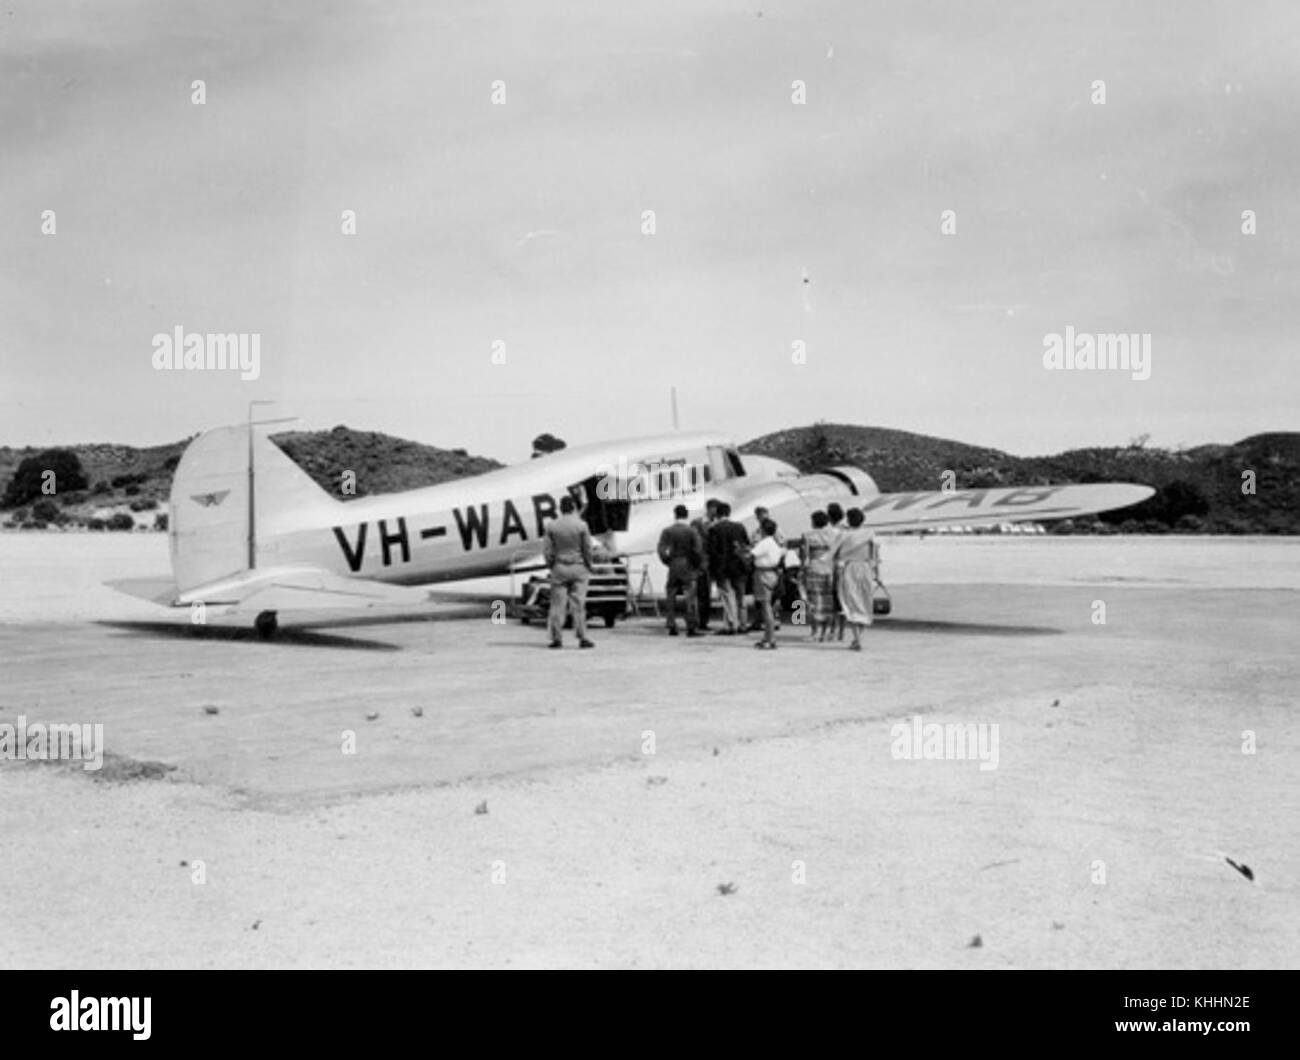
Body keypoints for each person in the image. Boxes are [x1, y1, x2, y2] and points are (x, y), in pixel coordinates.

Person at [542, 495, 595, 649]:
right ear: (573, 507)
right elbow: (588, 549)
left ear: (560, 508)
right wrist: (588, 565)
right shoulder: (582, 525)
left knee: (557, 605)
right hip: (579, 568)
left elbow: (547, 550)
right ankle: (582, 637)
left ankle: (556, 638)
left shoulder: (551, 526)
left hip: (559, 567)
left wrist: (551, 565)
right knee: (578, 605)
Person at [830, 507, 877, 651]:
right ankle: (858, 639)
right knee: (863, 602)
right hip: (866, 569)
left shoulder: (844, 535)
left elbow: (833, 554)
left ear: (849, 520)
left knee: (851, 603)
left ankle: (857, 639)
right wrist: (876, 574)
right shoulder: (870, 534)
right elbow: (875, 556)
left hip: (849, 569)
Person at [657, 504, 705, 637]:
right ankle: (691, 625)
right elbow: (698, 550)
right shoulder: (691, 531)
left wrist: (667, 561)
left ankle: (671, 623)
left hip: (673, 564)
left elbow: (661, 549)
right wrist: (697, 565)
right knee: (690, 595)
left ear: (675, 515)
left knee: (671, 594)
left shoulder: (667, 531)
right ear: (687, 515)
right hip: (687, 564)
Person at [707, 501, 750, 634]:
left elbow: (712, 551)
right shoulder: (739, 527)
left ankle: (732, 623)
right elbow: (746, 545)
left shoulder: (714, 529)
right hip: (738, 566)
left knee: (727, 595)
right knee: (740, 596)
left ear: (718, 514)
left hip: (722, 567)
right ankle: (743, 623)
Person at [799, 509, 838, 641]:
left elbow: (805, 556)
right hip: (829, 569)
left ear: (813, 522)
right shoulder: (833, 534)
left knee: (813, 601)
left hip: (814, 568)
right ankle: (826, 632)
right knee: (828, 602)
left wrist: (801, 571)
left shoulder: (807, 535)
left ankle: (815, 632)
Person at [750, 519, 783, 649]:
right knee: (769, 605)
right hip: (772, 573)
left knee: (765, 607)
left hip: (763, 573)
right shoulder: (774, 543)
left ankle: (770, 638)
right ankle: (767, 636)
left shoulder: (764, 543)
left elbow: (751, 554)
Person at [690, 500, 719, 630]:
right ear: (709, 508)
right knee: (699, 593)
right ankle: (698, 621)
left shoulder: (717, 524)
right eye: (715, 509)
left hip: (712, 563)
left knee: (706, 593)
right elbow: (694, 543)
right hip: (700, 563)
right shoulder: (697, 523)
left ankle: (703, 621)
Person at [826, 502, 847, 641]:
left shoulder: (829, 532)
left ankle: (832, 631)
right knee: (843, 601)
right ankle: (842, 632)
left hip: (832, 567)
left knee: (833, 602)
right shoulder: (847, 530)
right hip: (846, 566)